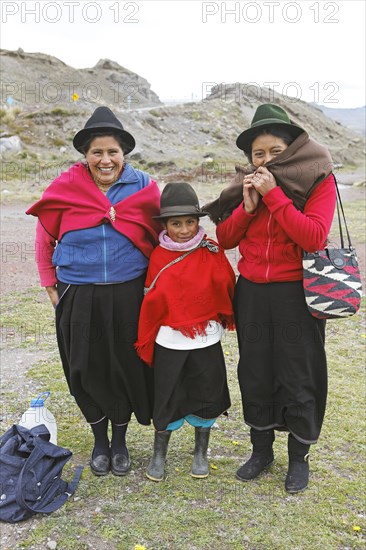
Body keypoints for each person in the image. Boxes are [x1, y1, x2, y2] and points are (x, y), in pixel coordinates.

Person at [204, 103, 336, 493]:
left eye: (275, 152)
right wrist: (247, 208)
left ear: (293, 149)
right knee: (256, 371)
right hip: (253, 294)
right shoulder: (247, 185)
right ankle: (261, 450)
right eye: (258, 154)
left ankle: (299, 458)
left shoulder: (317, 181)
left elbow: (313, 236)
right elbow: (225, 239)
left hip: (297, 293)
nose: (265, 160)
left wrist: (274, 197)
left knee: (299, 374)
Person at [26, 106, 161, 476]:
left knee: (124, 367)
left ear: (124, 154)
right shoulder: (65, 187)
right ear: (85, 155)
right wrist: (49, 283)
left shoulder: (144, 187)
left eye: (112, 152)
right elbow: (45, 236)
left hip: (128, 292)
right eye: (97, 152)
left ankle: (119, 440)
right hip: (78, 291)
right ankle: (99, 438)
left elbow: (161, 235)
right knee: (85, 368)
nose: (105, 159)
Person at [135, 182, 235, 481]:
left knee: (207, 393)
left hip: (206, 337)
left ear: (198, 221)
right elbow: (153, 300)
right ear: (165, 224)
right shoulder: (159, 256)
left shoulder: (212, 250)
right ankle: (159, 454)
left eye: (190, 222)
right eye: (175, 223)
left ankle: (201, 453)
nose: (183, 229)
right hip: (169, 339)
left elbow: (226, 285)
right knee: (166, 396)